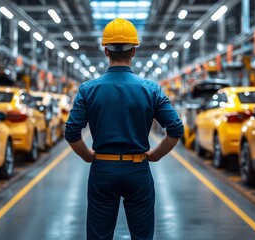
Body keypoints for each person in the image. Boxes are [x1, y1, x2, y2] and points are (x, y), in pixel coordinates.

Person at [64, 18, 184, 240]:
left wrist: (88, 156)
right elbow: (175, 128)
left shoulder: (88, 90)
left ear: (106, 50)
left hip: (102, 170)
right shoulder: (151, 89)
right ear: (134, 51)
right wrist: (155, 156)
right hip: (138, 170)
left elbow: (71, 132)